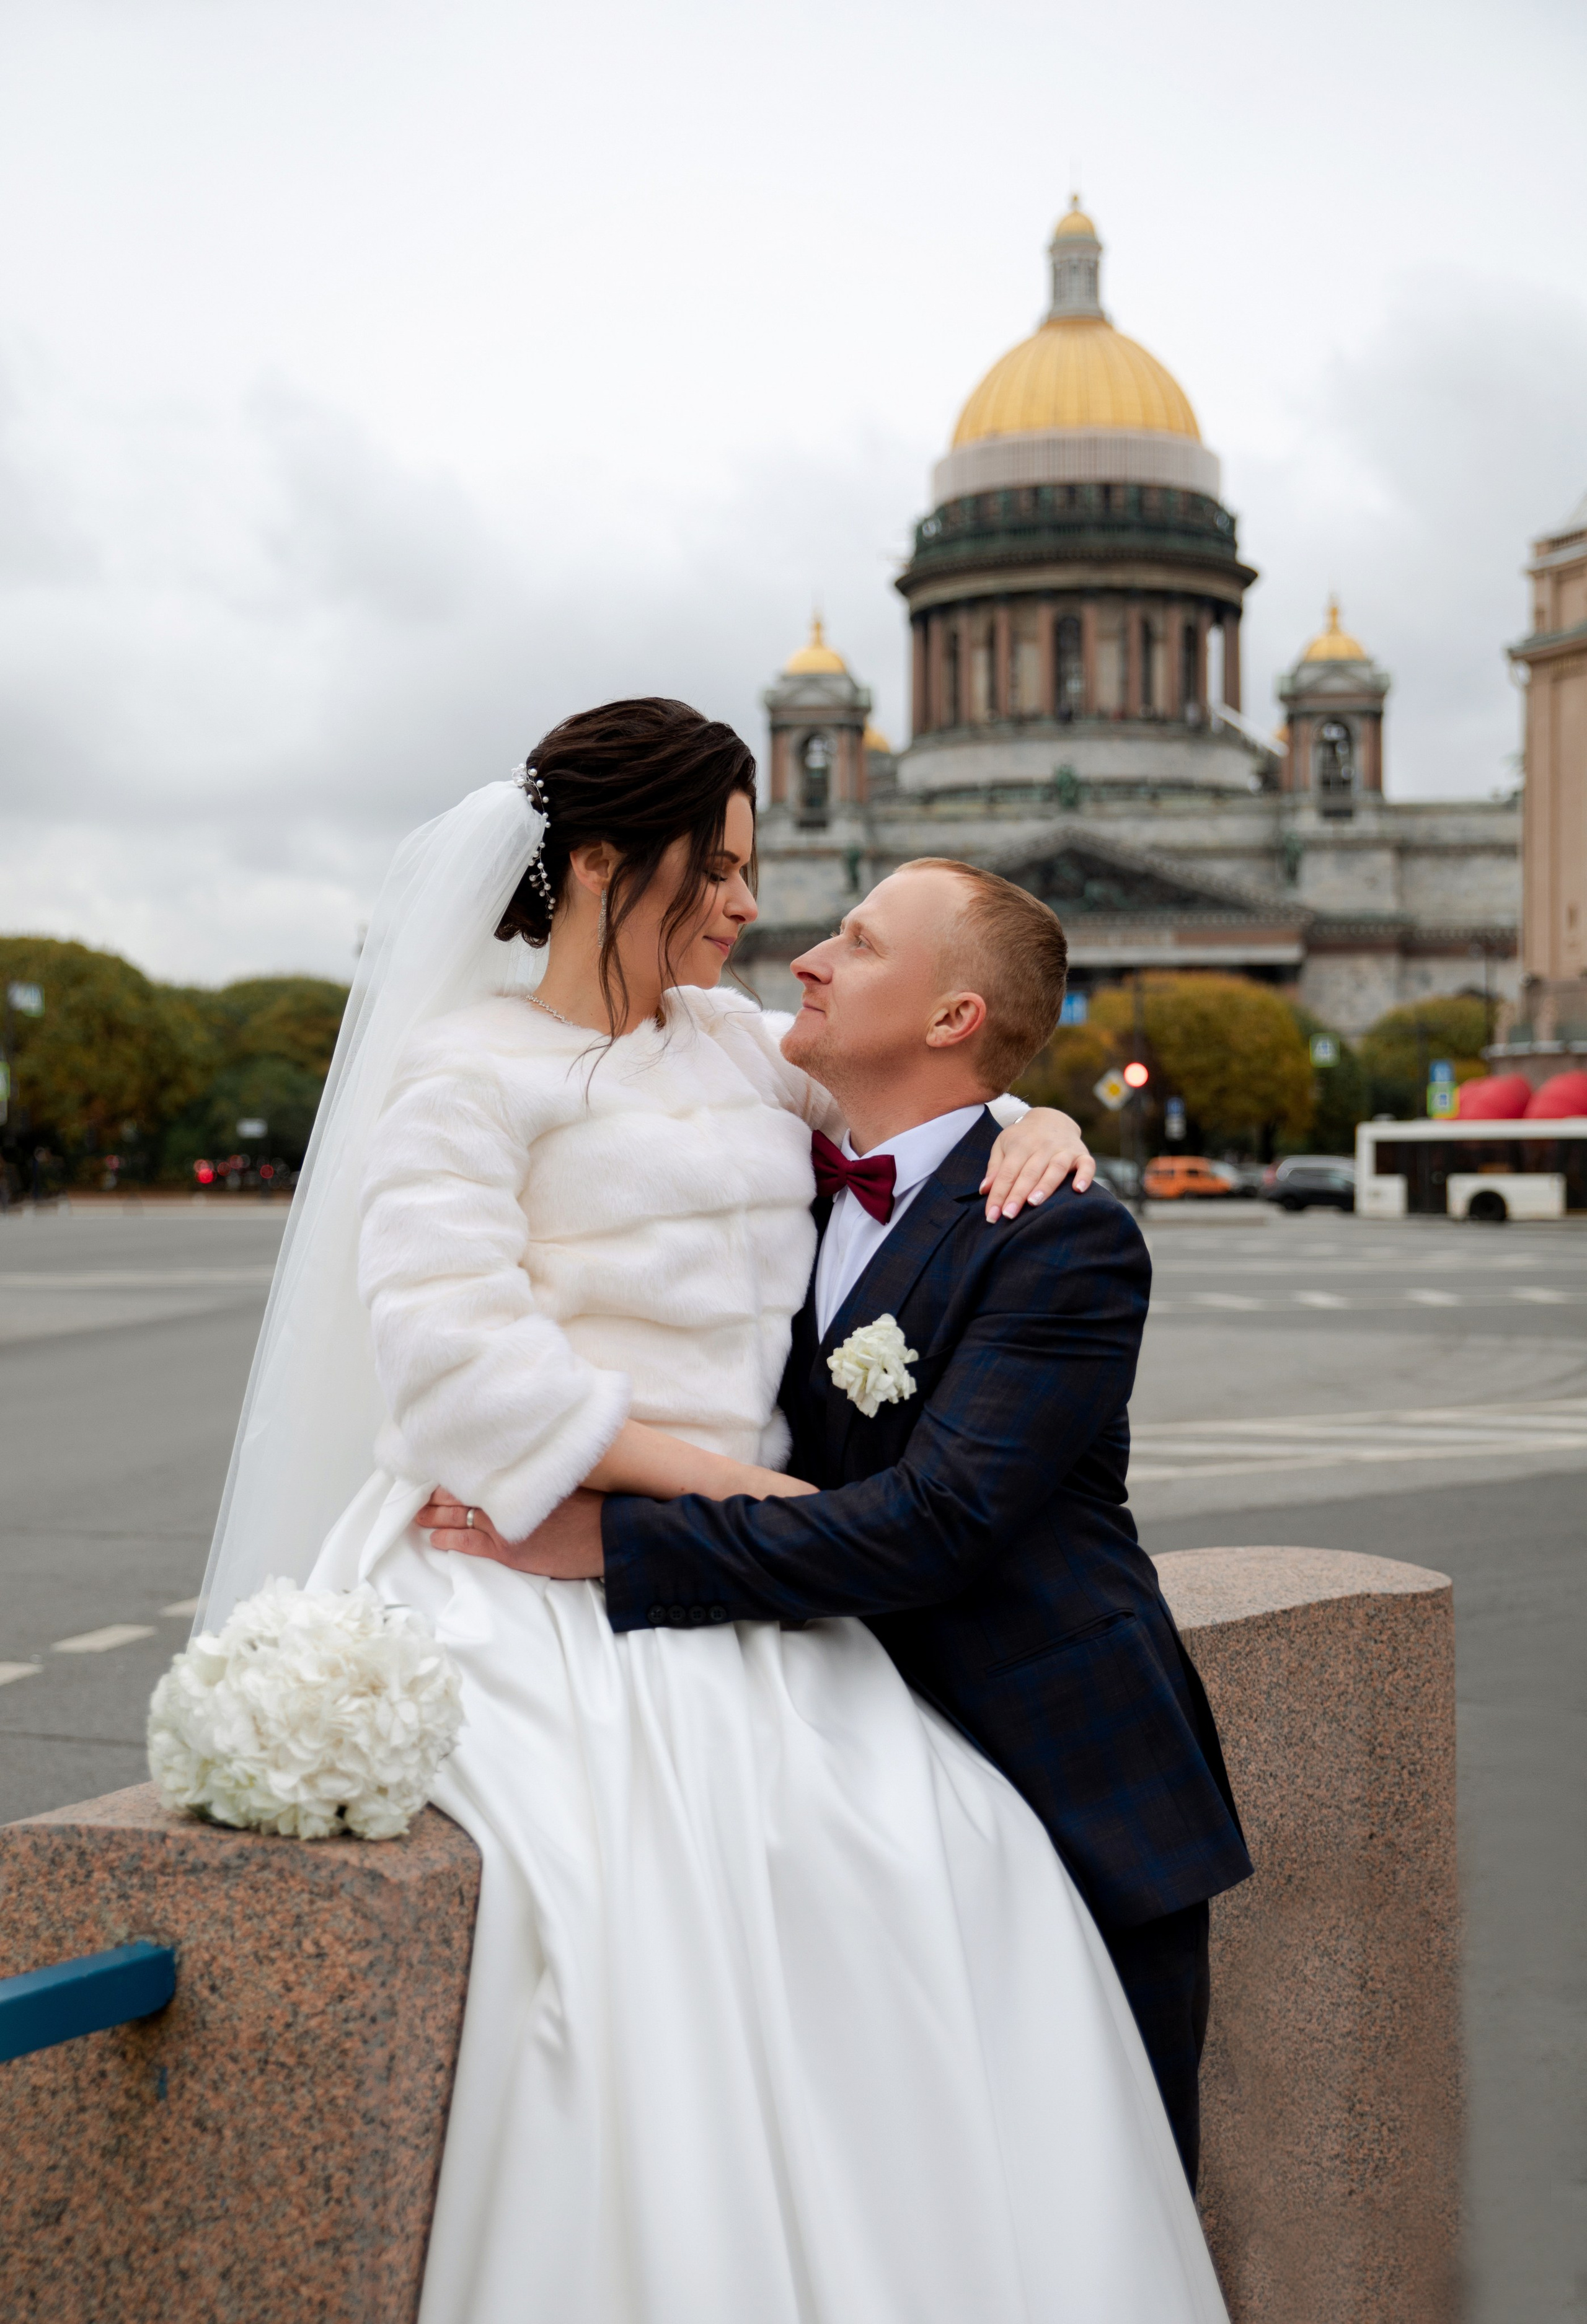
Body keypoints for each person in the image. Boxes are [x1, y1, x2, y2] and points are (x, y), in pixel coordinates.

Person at [201, 695, 1232, 2323]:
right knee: (619, 1936)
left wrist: (1048, 1114)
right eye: (726, 869)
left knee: (922, 1871)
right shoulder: (461, 1072)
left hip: (736, 1573)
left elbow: (936, 1125)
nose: (760, 913)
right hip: (530, 1543)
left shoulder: (751, 1050)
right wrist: (715, 1475)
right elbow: (461, 1363)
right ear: (608, 863)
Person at [453, 847, 1253, 2196]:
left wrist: (611, 1544)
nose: (808, 958)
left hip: (1062, 1785)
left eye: (863, 944)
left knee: (1094, 2211)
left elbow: (934, 1524)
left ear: (951, 1021)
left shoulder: (1059, 1233)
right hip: (858, 1783)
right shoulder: (789, 1178)